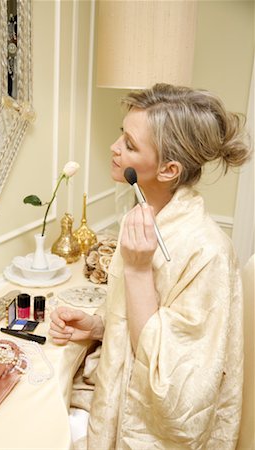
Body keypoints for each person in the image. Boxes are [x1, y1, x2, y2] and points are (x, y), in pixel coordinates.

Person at [49, 83, 251, 449]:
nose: (114, 148)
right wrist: (97, 327)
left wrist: (139, 270)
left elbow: (176, 388)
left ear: (168, 169)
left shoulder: (207, 253)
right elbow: (150, 322)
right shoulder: (144, 219)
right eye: (120, 135)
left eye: (129, 144)